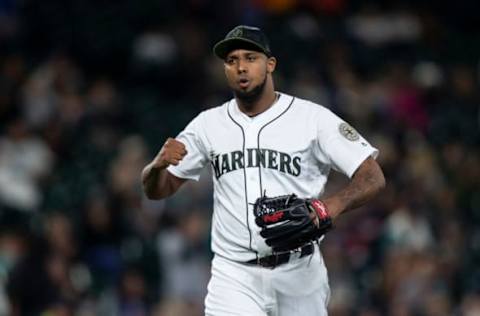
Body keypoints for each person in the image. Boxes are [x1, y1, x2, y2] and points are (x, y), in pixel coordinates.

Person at [142, 25, 385, 316]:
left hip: (300, 273)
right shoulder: (208, 124)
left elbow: (373, 176)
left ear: (270, 64)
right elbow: (158, 190)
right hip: (234, 276)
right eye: (231, 61)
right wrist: (156, 166)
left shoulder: (312, 118)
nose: (241, 67)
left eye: (250, 58)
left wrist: (331, 205)